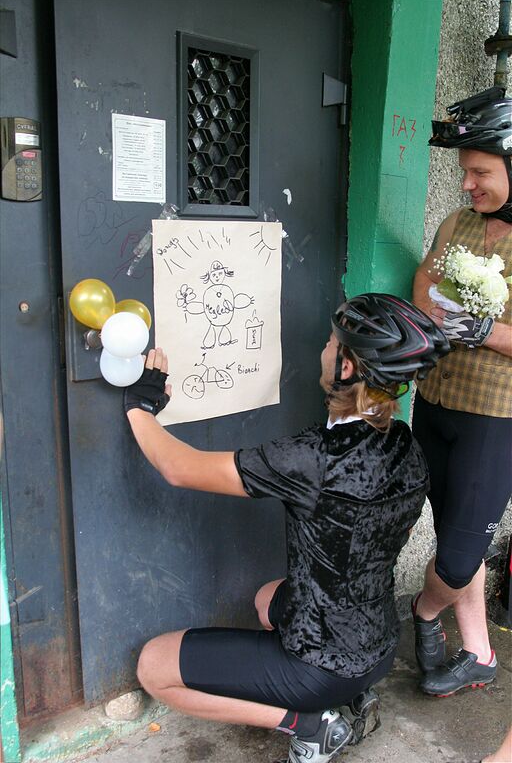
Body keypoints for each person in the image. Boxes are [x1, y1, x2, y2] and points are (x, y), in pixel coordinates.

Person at [123, 293, 448, 763]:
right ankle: (353, 694)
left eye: (330, 342)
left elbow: (178, 467)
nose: (323, 347)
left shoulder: (313, 457)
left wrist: (140, 407)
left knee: (154, 667)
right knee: (265, 598)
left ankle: (309, 725)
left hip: (321, 665)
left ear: (346, 367)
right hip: (379, 646)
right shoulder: (405, 445)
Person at [410, 86, 512, 698]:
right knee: (451, 528)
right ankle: (478, 651)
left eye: (480, 173)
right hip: (435, 403)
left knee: (456, 555)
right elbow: (425, 277)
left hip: (495, 417)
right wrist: (433, 309)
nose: (467, 184)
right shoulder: (458, 223)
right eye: (464, 172)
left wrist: (485, 331)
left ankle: (424, 610)